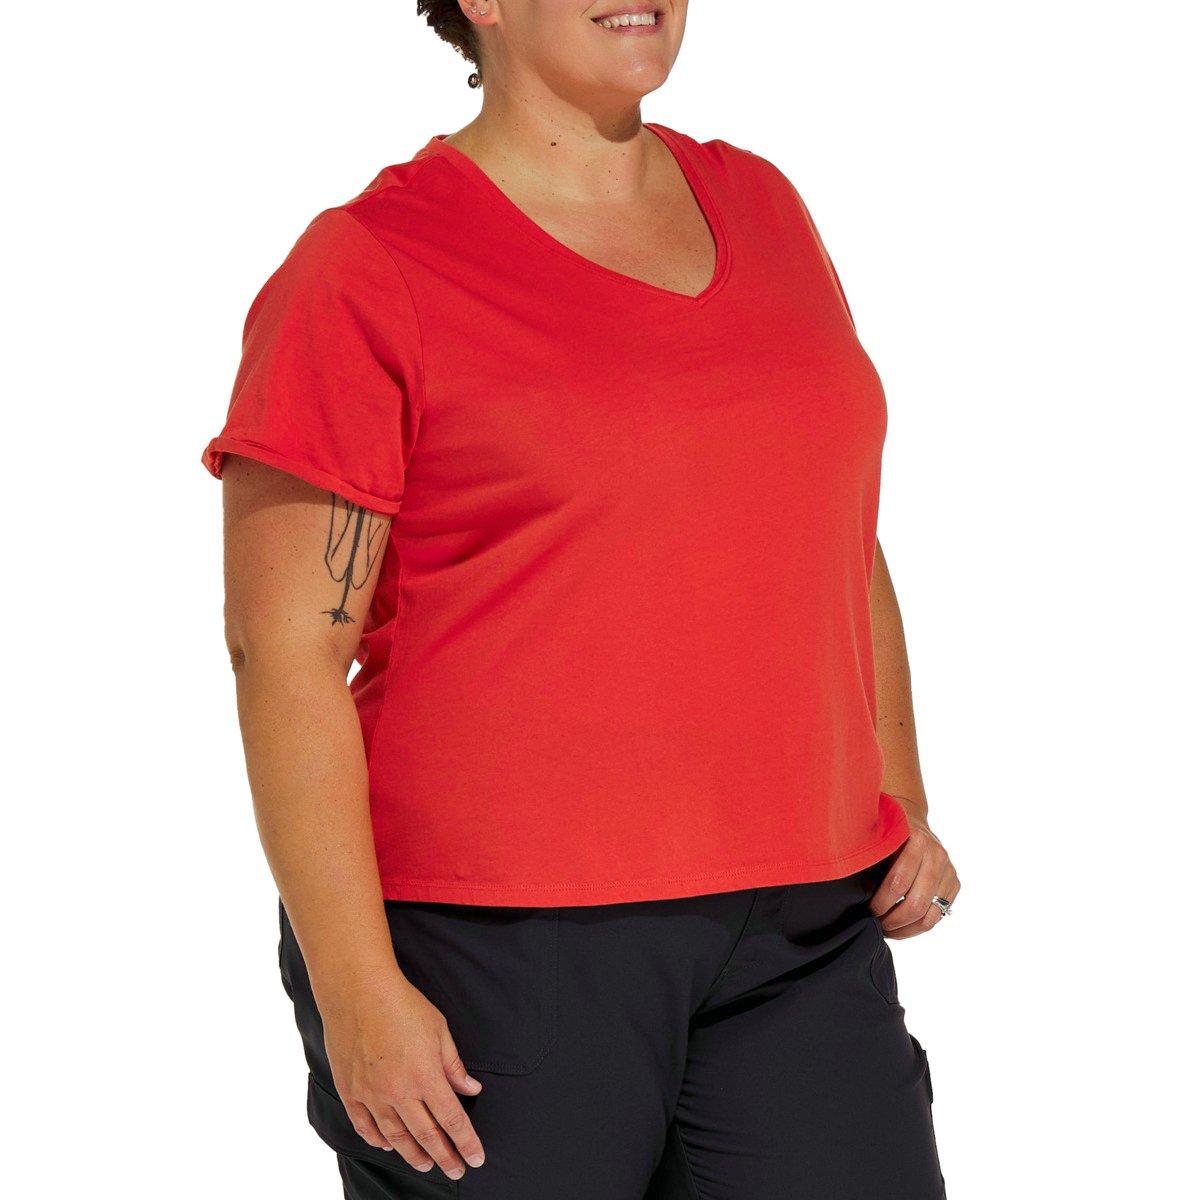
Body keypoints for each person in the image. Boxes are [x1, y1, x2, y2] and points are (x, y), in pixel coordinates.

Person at [202, 2, 960, 1196]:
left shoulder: (763, 205)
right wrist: (354, 989)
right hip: (498, 947)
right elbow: (284, 652)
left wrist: (896, 789)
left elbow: (830, 529)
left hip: (801, 927)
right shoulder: (369, 268)